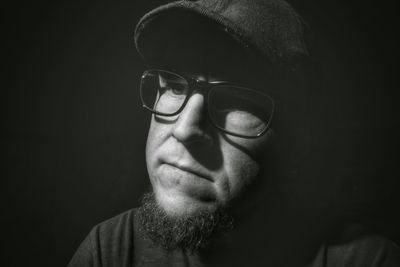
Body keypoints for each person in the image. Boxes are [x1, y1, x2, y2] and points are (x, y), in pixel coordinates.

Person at [68, 0, 400, 266]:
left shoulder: (369, 260)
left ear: (297, 140)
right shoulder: (111, 250)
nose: (184, 129)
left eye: (238, 102)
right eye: (173, 85)